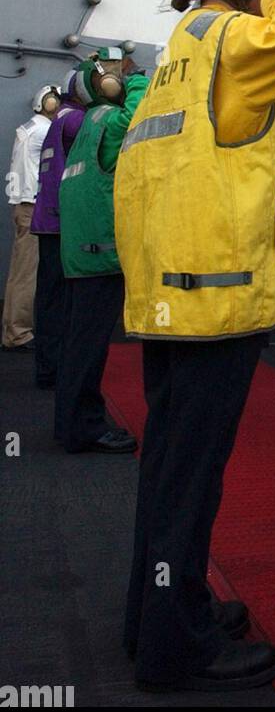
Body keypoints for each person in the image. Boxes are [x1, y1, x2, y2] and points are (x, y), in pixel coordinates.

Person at [117, 0, 275, 693]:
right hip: (212, 302)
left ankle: (158, 612)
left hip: (170, 302)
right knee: (190, 479)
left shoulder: (180, 51)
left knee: (169, 469)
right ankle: (178, 648)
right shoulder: (237, 41)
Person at [56, 51, 146, 453]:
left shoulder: (84, 125)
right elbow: (137, 116)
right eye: (109, 76)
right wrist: (138, 79)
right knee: (88, 349)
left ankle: (72, 423)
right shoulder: (108, 120)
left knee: (77, 344)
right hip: (98, 254)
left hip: (78, 253)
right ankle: (84, 428)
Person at [30, 72, 86, 388]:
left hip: (47, 218)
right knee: (62, 300)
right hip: (62, 222)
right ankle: (55, 368)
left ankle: (47, 367)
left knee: (48, 298)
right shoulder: (77, 121)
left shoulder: (58, 119)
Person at [2, 85, 60, 352]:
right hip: (33, 206)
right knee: (27, 275)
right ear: (49, 104)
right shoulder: (46, 130)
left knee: (18, 274)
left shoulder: (28, 128)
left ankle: (12, 329)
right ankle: (19, 333)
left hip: (21, 205)